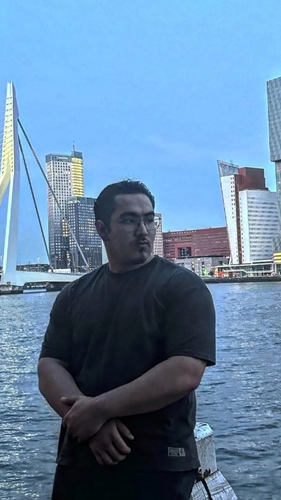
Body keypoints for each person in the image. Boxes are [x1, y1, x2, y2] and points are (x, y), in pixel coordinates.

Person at [38, 180, 216, 500]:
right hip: (81, 459)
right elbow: (50, 365)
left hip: (157, 463)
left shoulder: (183, 288)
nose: (143, 230)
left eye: (149, 219)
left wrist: (97, 410)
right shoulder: (73, 295)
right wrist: (90, 424)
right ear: (102, 229)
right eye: (129, 220)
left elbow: (186, 371)